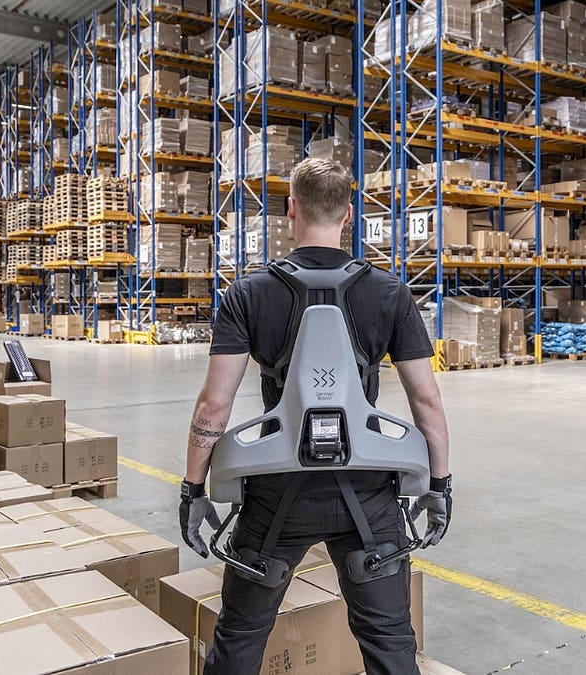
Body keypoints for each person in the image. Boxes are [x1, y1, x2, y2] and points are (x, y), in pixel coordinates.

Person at [178, 157, 453, 675]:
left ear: (290, 210)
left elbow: (214, 404)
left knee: (239, 638)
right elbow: (427, 402)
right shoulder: (390, 293)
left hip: (275, 494)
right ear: (348, 214)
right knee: (390, 641)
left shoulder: (248, 293)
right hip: (369, 494)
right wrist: (439, 483)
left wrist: (193, 490)